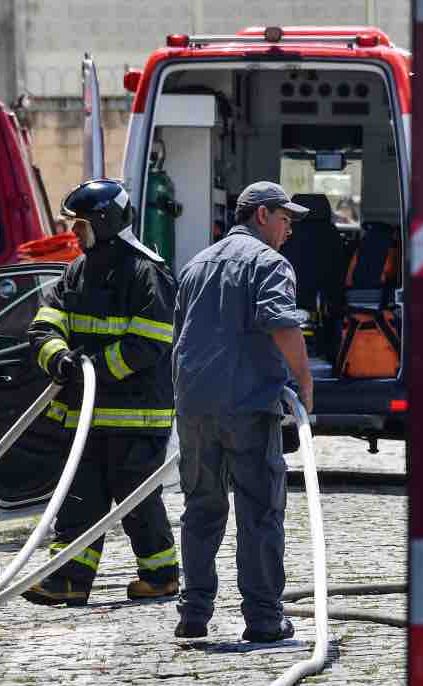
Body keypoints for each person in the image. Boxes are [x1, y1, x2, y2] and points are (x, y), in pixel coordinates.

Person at [22, 178, 180, 606]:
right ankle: (68, 580)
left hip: (135, 417)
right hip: (87, 417)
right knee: (80, 499)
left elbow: (148, 343)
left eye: (80, 226)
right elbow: (44, 325)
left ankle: (161, 574)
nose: (73, 235)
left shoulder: (147, 272)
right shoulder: (77, 271)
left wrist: (92, 370)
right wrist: (57, 358)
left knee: (137, 502)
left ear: (104, 222)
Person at [171, 181, 313, 642]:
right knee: (260, 509)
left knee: (201, 507)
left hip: (195, 407)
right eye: (285, 218)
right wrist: (305, 382)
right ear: (261, 216)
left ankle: (194, 612)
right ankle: (264, 619)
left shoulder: (195, 265)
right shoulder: (270, 264)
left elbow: (181, 337)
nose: (289, 229)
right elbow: (280, 322)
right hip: (248, 405)